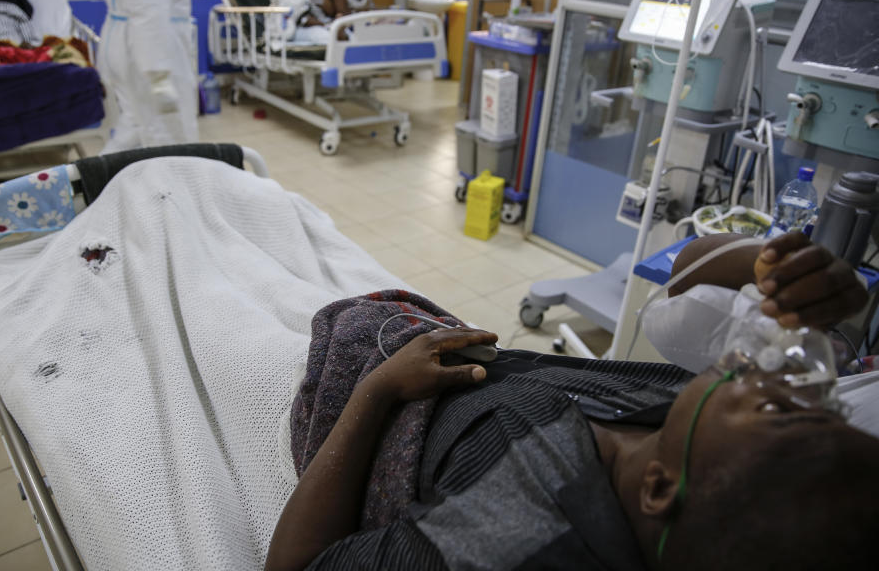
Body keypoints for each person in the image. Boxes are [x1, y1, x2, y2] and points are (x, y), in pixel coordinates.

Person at [267, 232, 878, 571]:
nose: (778, 377)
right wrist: (771, 268)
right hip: (437, 355)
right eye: (822, 401)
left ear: (661, 489)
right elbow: (688, 274)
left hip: (372, 391)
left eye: (779, 410)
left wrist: (377, 393)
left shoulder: (506, 538)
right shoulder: (689, 438)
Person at [99, 0, 198, 154]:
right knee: (169, 136)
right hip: (150, 47)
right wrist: (159, 76)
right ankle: (94, 182)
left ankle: (91, 183)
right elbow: (147, 6)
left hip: (129, 41)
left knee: (136, 127)